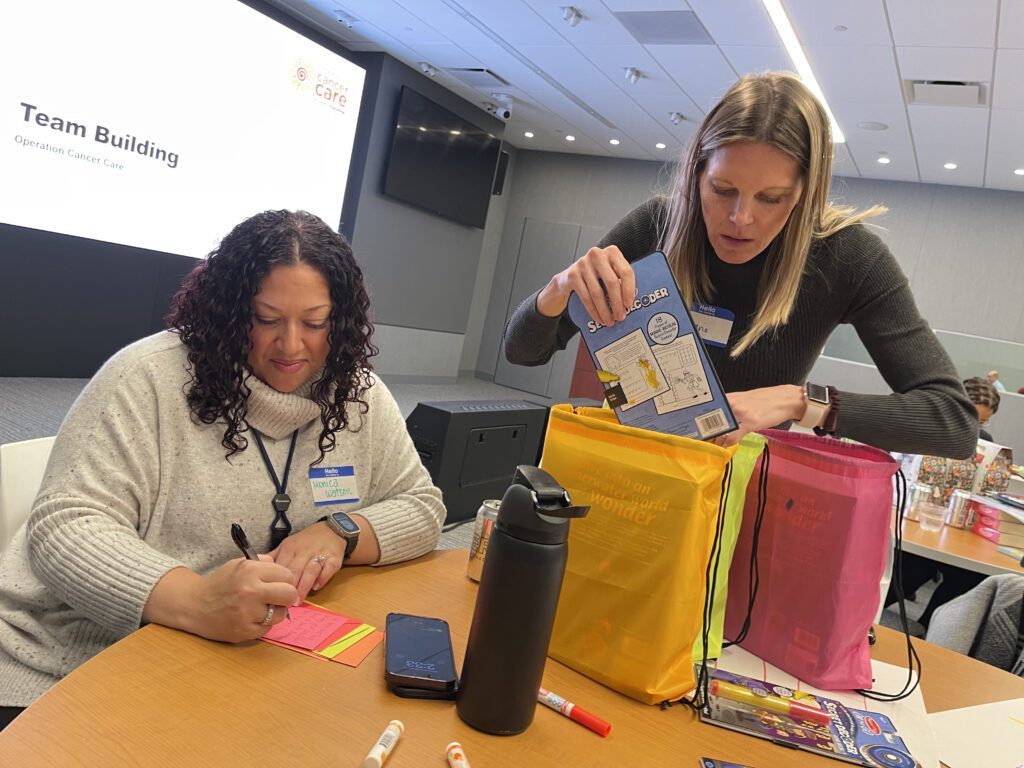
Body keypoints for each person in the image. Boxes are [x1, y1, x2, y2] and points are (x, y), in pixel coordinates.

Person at [0, 210, 445, 729]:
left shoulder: (357, 392)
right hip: (72, 660)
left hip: (232, 663)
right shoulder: (147, 377)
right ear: (231, 311)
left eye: (315, 322)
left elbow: (421, 505)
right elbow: (64, 527)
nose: (292, 346)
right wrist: (195, 599)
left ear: (340, 321)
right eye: (267, 318)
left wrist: (341, 531)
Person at [504, 71, 976, 459]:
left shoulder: (848, 256)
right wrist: (559, 288)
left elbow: (954, 422)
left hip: (747, 491)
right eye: (722, 189)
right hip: (640, 465)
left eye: (772, 198)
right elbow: (523, 351)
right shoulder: (656, 226)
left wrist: (801, 401)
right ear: (697, 173)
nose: (740, 218)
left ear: (804, 195)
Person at [964, 376, 1000, 442]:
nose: (973, 427)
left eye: (981, 422)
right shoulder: (940, 431)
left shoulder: (984, 439)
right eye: (969, 419)